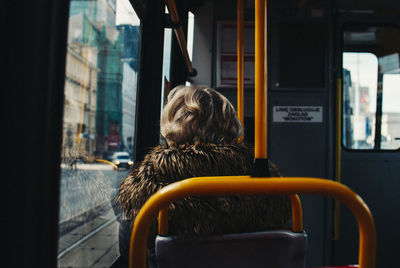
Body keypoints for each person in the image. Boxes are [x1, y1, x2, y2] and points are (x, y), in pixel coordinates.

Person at [114, 85, 291, 267]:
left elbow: (130, 252)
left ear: (171, 123)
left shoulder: (148, 188)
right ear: (231, 124)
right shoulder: (268, 185)